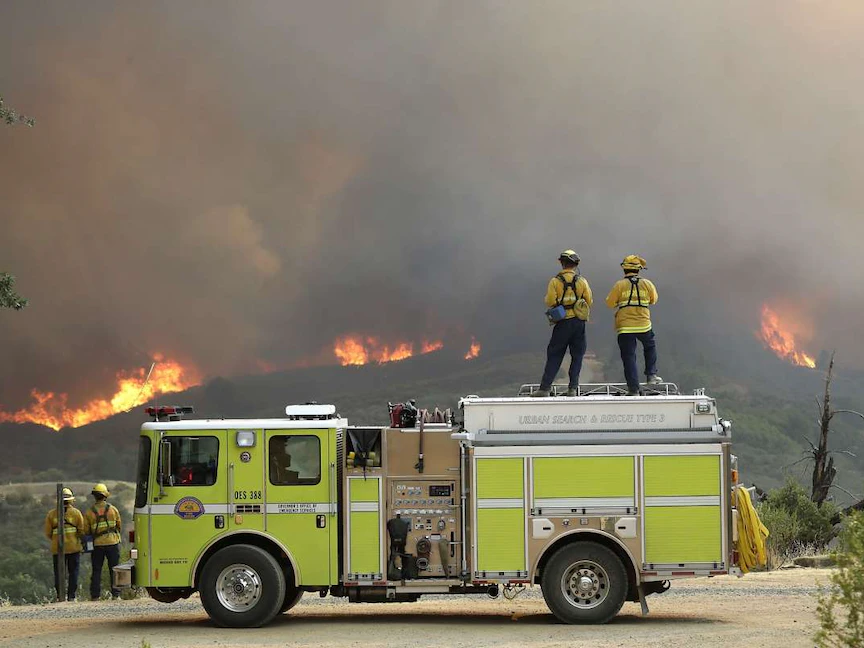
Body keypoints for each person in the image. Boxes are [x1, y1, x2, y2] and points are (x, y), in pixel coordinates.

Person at [531, 249, 593, 397]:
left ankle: (545, 389)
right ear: (575, 264)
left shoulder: (555, 281)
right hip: (579, 323)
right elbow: (589, 300)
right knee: (577, 356)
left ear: (562, 263)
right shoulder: (582, 281)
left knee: (555, 354)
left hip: (562, 322)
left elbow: (550, 301)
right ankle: (572, 389)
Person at [605, 255, 661, 395]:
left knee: (629, 356)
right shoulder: (648, 284)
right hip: (644, 324)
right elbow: (654, 300)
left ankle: (633, 389)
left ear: (624, 269)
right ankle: (651, 375)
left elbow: (609, 303)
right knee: (649, 346)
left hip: (625, 326)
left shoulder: (619, 285)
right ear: (639, 270)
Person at [44, 487, 85, 601]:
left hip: (58, 548)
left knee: (59, 573)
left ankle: (60, 596)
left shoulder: (52, 514)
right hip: (74, 548)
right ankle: (71, 596)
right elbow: (82, 531)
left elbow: (48, 533)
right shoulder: (76, 513)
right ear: (71, 500)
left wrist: (56, 539)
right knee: (73, 573)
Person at [84, 483, 122, 600]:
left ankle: (95, 596)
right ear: (105, 495)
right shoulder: (113, 510)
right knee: (114, 569)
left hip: (97, 545)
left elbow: (86, 531)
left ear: (94, 496)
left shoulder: (89, 512)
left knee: (96, 571)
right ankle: (116, 595)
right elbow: (118, 525)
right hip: (112, 543)